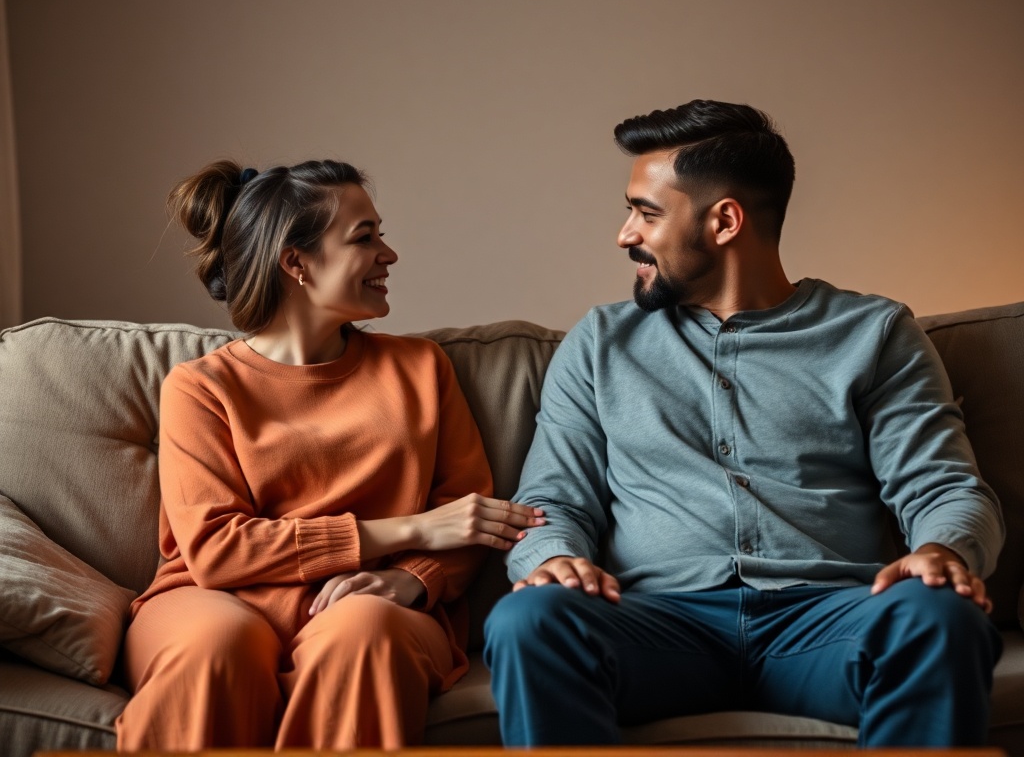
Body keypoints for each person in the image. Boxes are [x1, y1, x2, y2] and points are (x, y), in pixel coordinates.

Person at [483, 100, 1004, 747]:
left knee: (940, 618)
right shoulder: (599, 343)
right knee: (528, 619)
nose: (624, 235)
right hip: (652, 625)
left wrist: (942, 549)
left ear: (724, 220)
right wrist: (554, 558)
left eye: (646, 213)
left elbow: (945, 488)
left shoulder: (873, 334)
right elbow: (552, 501)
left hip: (827, 624)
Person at [115, 159, 544, 751]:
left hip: (368, 601)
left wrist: (412, 580)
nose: (388, 254)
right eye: (365, 238)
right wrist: (412, 529)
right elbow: (218, 551)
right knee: (214, 651)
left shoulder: (420, 369)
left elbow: (467, 519)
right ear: (296, 263)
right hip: (214, 599)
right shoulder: (200, 386)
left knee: (365, 635)